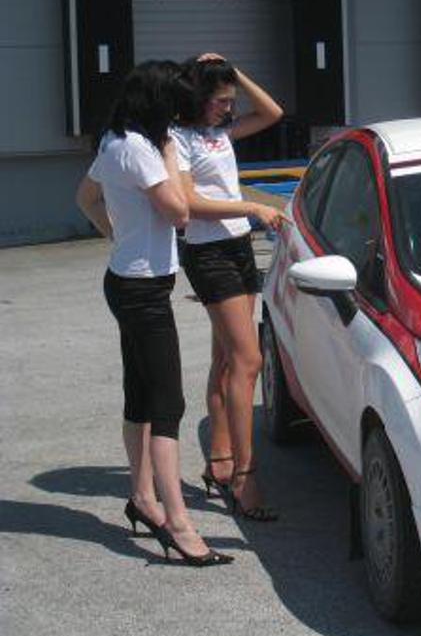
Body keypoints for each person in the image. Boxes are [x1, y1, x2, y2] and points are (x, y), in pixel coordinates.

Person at [75, 60, 232, 566]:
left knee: (141, 396)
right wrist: (168, 146)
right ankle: (178, 523)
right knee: (168, 405)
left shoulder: (115, 140)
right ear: (159, 106)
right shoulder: (143, 149)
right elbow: (180, 212)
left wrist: (119, 238)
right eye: (175, 108)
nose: (180, 118)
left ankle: (143, 499)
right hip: (142, 292)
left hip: (129, 281)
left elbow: (86, 197)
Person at [172, 53, 288, 521]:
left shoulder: (218, 132)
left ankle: (220, 458)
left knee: (227, 359)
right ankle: (245, 474)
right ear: (198, 97)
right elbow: (188, 202)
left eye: (230, 99)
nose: (227, 107)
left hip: (239, 246)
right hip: (209, 253)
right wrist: (251, 208)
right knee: (249, 360)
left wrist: (233, 70)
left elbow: (272, 112)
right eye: (220, 99)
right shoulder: (179, 138)